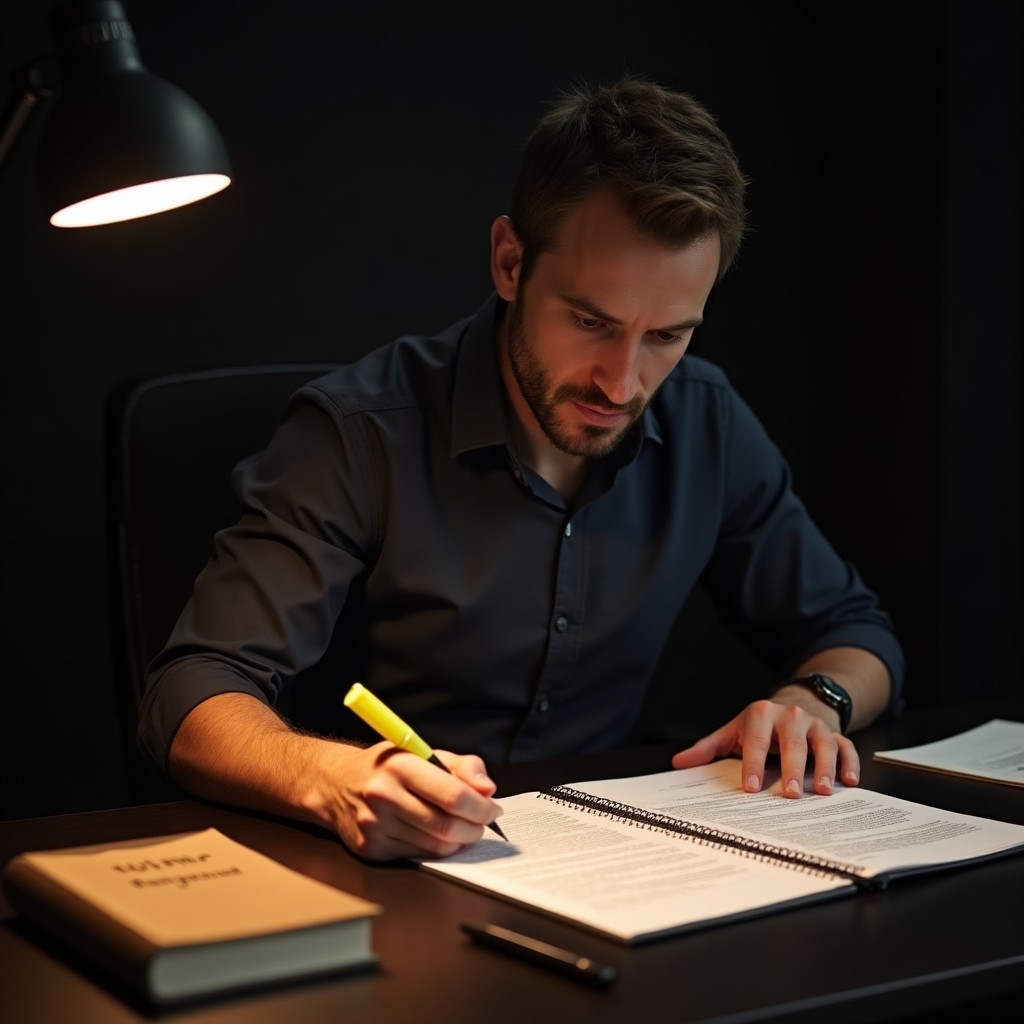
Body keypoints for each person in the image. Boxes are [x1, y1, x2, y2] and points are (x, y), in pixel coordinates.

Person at [138, 77, 903, 861]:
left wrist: (814, 702)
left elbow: (854, 633)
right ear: (510, 262)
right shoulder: (357, 434)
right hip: (379, 872)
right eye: (590, 321)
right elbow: (193, 689)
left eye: (667, 337)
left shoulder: (706, 419)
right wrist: (338, 778)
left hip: (615, 864)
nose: (623, 382)